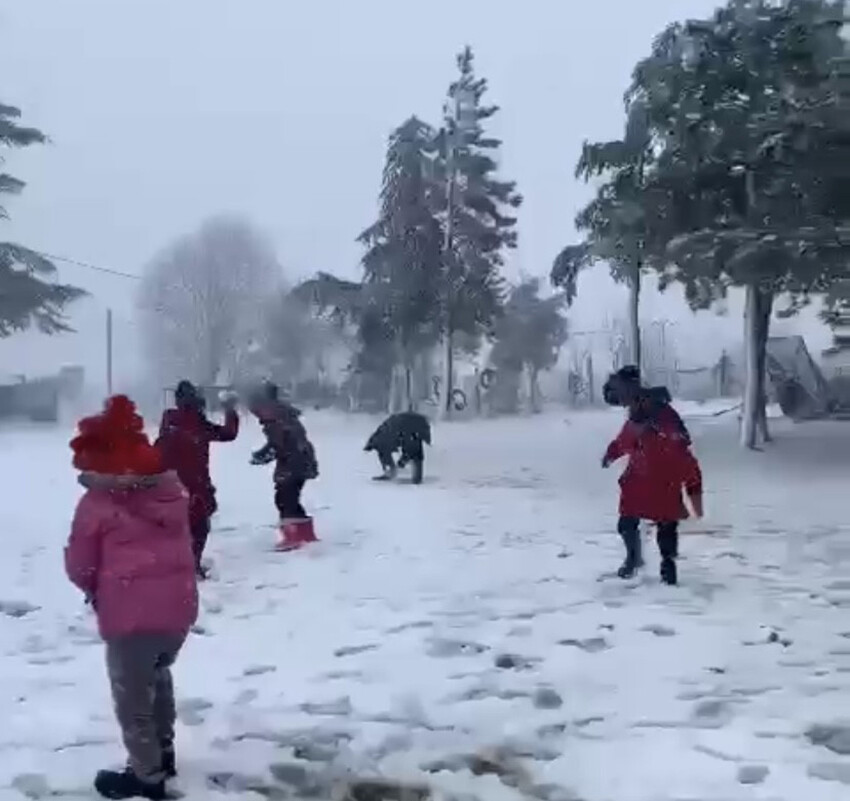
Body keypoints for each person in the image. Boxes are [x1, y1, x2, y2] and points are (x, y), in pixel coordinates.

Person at [64, 395, 198, 800]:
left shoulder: (98, 503)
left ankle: (146, 775)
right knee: (158, 678)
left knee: (133, 701)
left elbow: (80, 564)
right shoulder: (171, 493)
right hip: (177, 612)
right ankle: (165, 751)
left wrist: (93, 589)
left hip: (128, 613)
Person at [601, 366, 703, 585]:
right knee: (628, 522)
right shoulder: (637, 412)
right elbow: (625, 439)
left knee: (665, 525)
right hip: (639, 477)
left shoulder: (663, 414)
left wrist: (665, 437)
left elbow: (681, 441)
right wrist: (611, 454)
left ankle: (668, 565)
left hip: (663, 477)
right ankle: (634, 558)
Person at [156, 380, 239, 578]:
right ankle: (190, 565)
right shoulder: (198, 423)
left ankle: (176, 565)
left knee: (174, 528)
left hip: (170, 485)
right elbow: (228, 433)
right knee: (199, 527)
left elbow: (160, 449)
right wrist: (229, 410)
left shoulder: (170, 420)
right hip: (196, 485)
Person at [248, 382, 319, 549]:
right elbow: (279, 442)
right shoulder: (281, 413)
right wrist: (263, 454)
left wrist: (262, 456)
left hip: (293, 462)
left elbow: (278, 444)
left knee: (284, 499)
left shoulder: (274, 417)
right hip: (301, 459)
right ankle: (306, 533)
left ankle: (293, 535)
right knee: (291, 498)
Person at [364, 410, 431, 484]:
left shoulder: (407, 428)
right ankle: (414, 477)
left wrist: (401, 462)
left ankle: (416, 477)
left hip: (409, 426)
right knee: (414, 451)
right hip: (405, 426)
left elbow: (411, 449)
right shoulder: (384, 435)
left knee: (414, 452)